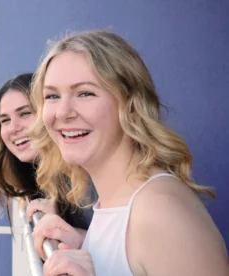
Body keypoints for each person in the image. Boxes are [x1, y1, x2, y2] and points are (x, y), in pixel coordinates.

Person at [29, 30, 228, 275]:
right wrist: (84, 244)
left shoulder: (158, 211)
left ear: (131, 104)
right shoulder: (117, 204)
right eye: (52, 96)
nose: (62, 112)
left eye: (85, 93)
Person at [0, 73, 93, 230]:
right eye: (5, 120)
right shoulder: (35, 180)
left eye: (25, 113)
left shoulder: (84, 175)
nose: (14, 128)